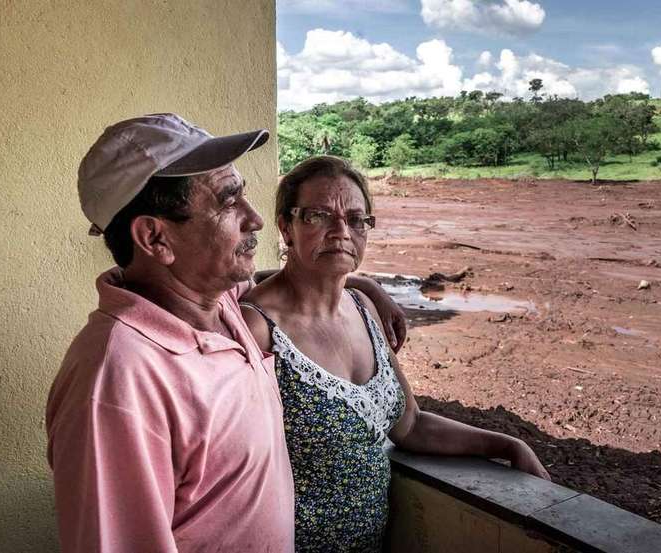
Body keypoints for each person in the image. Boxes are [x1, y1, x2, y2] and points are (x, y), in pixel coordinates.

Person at [46, 114, 405, 553]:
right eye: (228, 201)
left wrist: (364, 285)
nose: (254, 219)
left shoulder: (220, 303)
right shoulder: (118, 379)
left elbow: (299, 279)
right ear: (155, 238)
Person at [241, 155, 551, 553]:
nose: (341, 232)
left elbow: (410, 424)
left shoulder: (364, 310)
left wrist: (508, 445)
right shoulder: (257, 328)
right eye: (319, 216)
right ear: (286, 226)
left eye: (356, 220)